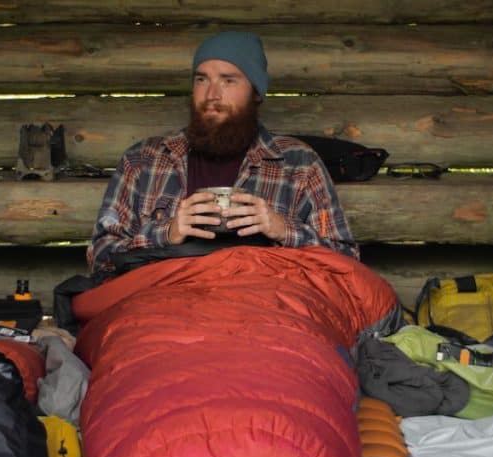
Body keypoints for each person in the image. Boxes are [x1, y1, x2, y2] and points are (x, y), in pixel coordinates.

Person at [87, 31, 359, 277]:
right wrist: (166, 233)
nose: (211, 94)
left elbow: (347, 262)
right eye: (202, 79)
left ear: (256, 92)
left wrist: (283, 229)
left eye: (228, 80)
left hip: (262, 314)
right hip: (163, 313)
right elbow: (100, 258)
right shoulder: (143, 161)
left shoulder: (299, 164)